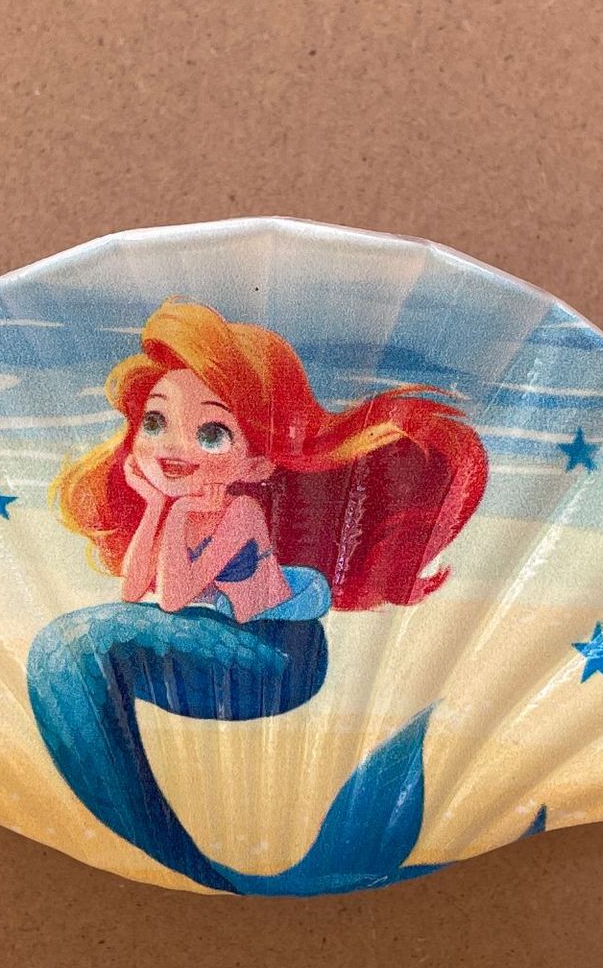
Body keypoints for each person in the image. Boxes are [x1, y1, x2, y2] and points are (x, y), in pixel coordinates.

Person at [26, 298, 486, 894]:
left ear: (261, 462)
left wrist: (167, 507)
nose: (172, 446)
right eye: (155, 423)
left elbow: (173, 598)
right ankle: (185, 857)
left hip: (280, 656)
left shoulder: (240, 513)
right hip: (226, 643)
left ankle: (191, 861)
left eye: (212, 433)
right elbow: (136, 588)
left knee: (72, 646)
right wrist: (156, 509)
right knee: (67, 651)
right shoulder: (183, 508)